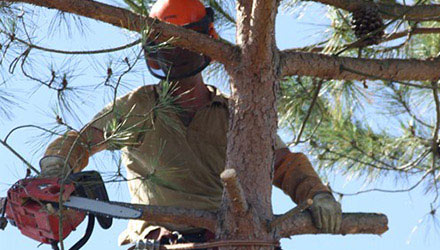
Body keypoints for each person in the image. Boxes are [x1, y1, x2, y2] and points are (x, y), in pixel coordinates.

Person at [39, 0, 342, 248]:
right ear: (155, 54)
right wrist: (55, 169)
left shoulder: (236, 115)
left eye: (184, 45)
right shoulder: (140, 106)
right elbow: (82, 141)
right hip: (159, 242)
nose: (177, 55)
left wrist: (317, 194)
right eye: (170, 48)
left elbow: (284, 164)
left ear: (205, 43)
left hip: (229, 239)